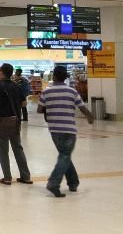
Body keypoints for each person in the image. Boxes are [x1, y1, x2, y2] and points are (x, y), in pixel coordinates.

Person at [37, 65, 94, 197]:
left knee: (64, 155)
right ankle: (53, 183)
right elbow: (82, 108)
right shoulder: (72, 92)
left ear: (54, 76)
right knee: (65, 155)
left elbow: (39, 110)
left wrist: (50, 108)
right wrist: (90, 117)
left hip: (55, 130)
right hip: (69, 129)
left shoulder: (46, 92)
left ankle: (73, 183)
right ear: (65, 77)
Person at [0, 63, 32, 185]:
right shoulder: (17, 86)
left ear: (2, 72)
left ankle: (7, 178)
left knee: (3, 150)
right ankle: (26, 176)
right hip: (15, 121)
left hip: (2, 120)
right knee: (18, 149)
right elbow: (24, 104)